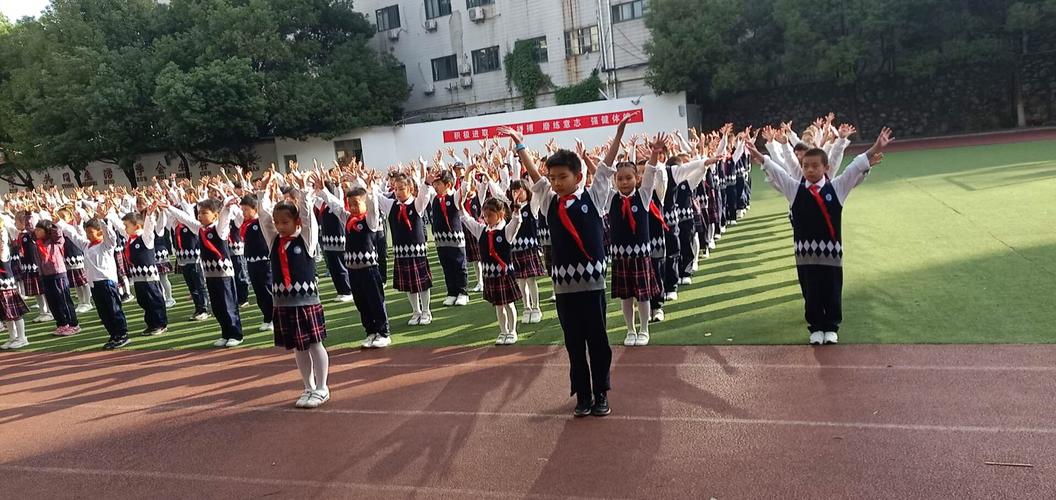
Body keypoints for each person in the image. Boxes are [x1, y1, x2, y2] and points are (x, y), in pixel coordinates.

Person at [503, 114, 631, 418]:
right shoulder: (550, 202)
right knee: (574, 344)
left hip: (592, 287)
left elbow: (606, 168)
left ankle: (601, 393)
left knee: (597, 342)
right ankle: (582, 395)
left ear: (578, 176)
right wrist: (520, 145)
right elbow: (536, 177)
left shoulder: (594, 197)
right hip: (563, 289)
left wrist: (618, 136)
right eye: (554, 178)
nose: (557, 183)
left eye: (563, 177)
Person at [746, 127, 893, 345]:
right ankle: (815, 327)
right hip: (805, 255)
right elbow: (777, 172)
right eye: (805, 166)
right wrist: (760, 156)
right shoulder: (795, 190)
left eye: (815, 166)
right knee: (811, 292)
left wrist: (875, 148)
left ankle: (831, 326)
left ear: (826, 168)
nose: (810, 170)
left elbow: (854, 168)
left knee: (832, 290)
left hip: (831, 254)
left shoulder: (837, 188)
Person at [259, 170, 331, 409]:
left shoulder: (306, 240)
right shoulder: (274, 242)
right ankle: (308, 386)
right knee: (298, 347)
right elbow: (264, 218)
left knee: (315, 344)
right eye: (277, 222)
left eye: (285, 222)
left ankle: (322, 387)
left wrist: (303, 193)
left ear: (296, 222)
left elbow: (309, 219)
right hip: (284, 303)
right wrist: (262, 192)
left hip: (306, 302)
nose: (280, 226)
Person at [461, 196, 523, 345]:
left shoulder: (505, 231)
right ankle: (503, 331)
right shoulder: (481, 230)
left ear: (500, 214)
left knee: (509, 304)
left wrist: (516, 210)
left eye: (490, 215)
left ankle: (512, 331)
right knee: (498, 306)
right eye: (485, 215)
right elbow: (468, 220)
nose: (487, 219)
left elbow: (516, 223)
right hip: (490, 275)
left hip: (504, 274)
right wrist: (461, 206)